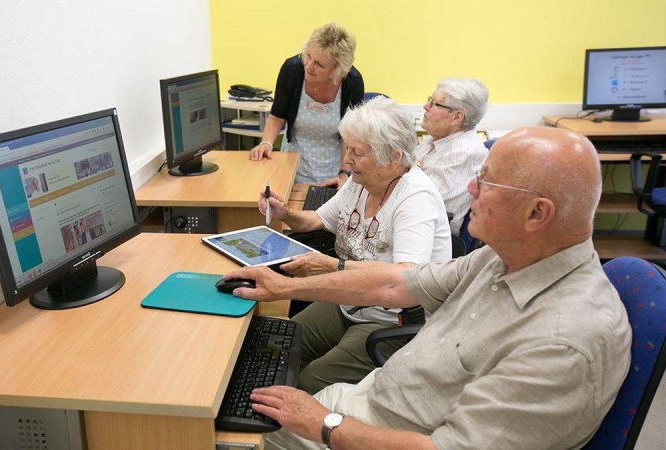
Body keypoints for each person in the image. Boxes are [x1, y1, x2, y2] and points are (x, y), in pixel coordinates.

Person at [224, 127, 632, 450]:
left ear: (536, 213)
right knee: (239, 404)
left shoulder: (563, 343)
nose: (470, 190)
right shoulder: (506, 256)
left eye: (487, 184)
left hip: (381, 433)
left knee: (226, 431)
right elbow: (395, 283)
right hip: (376, 399)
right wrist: (281, 285)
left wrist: (323, 423)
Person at [260, 96, 451, 394]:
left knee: (308, 381)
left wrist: (335, 266)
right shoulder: (359, 181)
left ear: (393, 157)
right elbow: (316, 221)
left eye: (357, 152)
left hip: (390, 318)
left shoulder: (416, 199)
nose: (346, 160)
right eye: (346, 148)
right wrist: (286, 213)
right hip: (350, 300)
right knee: (275, 344)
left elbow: (404, 278)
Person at [249, 22, 364, 188]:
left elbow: (351, 136)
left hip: (333, 170)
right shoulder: (292, 70)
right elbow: (277, 117)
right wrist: (266, 143)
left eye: (320, 64)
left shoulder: (352, 82)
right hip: (292, 163)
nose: (309, 66)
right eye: (308, 56)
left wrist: (344, 174)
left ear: (337, 69)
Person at [416, 78, 489, 234]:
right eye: (430, 100)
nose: (426, 106)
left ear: (457, 117)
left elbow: (424, 204)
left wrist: (409, 172)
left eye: (435, 104)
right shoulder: (436, 138)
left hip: (430, 237)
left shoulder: (464, 152)